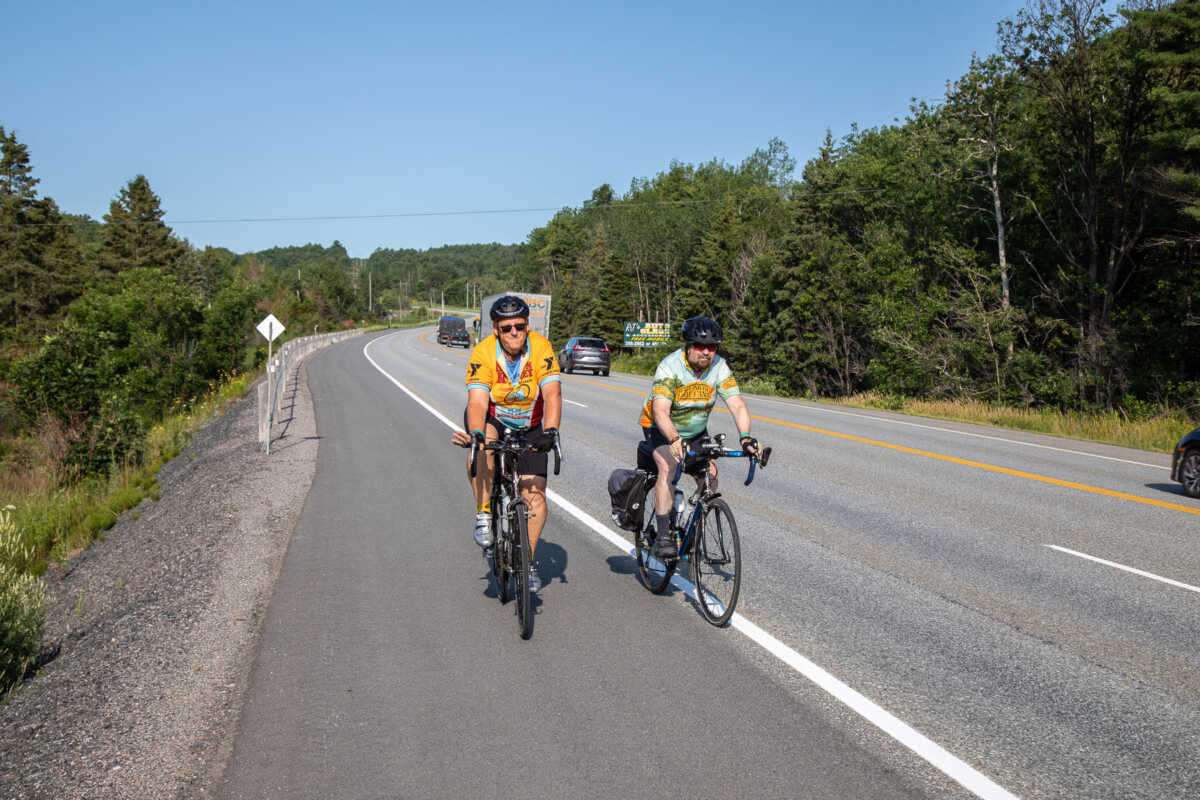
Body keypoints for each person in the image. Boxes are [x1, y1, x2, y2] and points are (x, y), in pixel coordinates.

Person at [451, 295, 562, 592]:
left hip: (531, 423)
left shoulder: (541, 348)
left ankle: (526, 562)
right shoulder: (483, 352)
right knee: (483, 443)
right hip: (494, 418)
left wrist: (551, 430)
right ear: (496, 330)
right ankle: (485, 512)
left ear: (527, 326)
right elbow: (476, 401)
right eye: (506, 328)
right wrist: (475, 433)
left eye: (520, 326)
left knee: (535, 494)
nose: (514, 332)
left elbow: (552, 394)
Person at [638, 316, 759, 559]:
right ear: (688, 345)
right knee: (669, 467)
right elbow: (661, 411)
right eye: (700, 346)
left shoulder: (719, 367)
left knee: (711, 477)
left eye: (712, 347)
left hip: (695, 431)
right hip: (662, 428)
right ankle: (663, 536)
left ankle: (692, 528)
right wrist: (673, 439)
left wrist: (746, 438)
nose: (706, 352)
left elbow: (737, 405)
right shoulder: (669, 367)